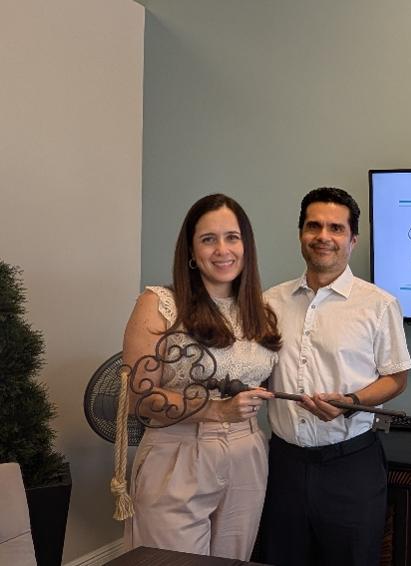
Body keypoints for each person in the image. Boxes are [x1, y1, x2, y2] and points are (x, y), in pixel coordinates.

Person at [118, 193, 281, 560]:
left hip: (248, 455)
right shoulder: (159, 304)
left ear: (246, 246)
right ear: (191, 252)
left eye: (232, 237)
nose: (222, 250)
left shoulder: (264, 312)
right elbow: (137, 399)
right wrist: (216, 411)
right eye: (208, 239)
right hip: (175, 454)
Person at [256, 187, 411, 566]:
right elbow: (256, 370)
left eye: (336, 228)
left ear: (352, 239)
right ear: (300, 234)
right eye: (314, 226)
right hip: (282, 466)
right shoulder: (268, 302)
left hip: (350, 468)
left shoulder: (378, 304)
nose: (323, 236)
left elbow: (396, 378)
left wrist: (351, 404)